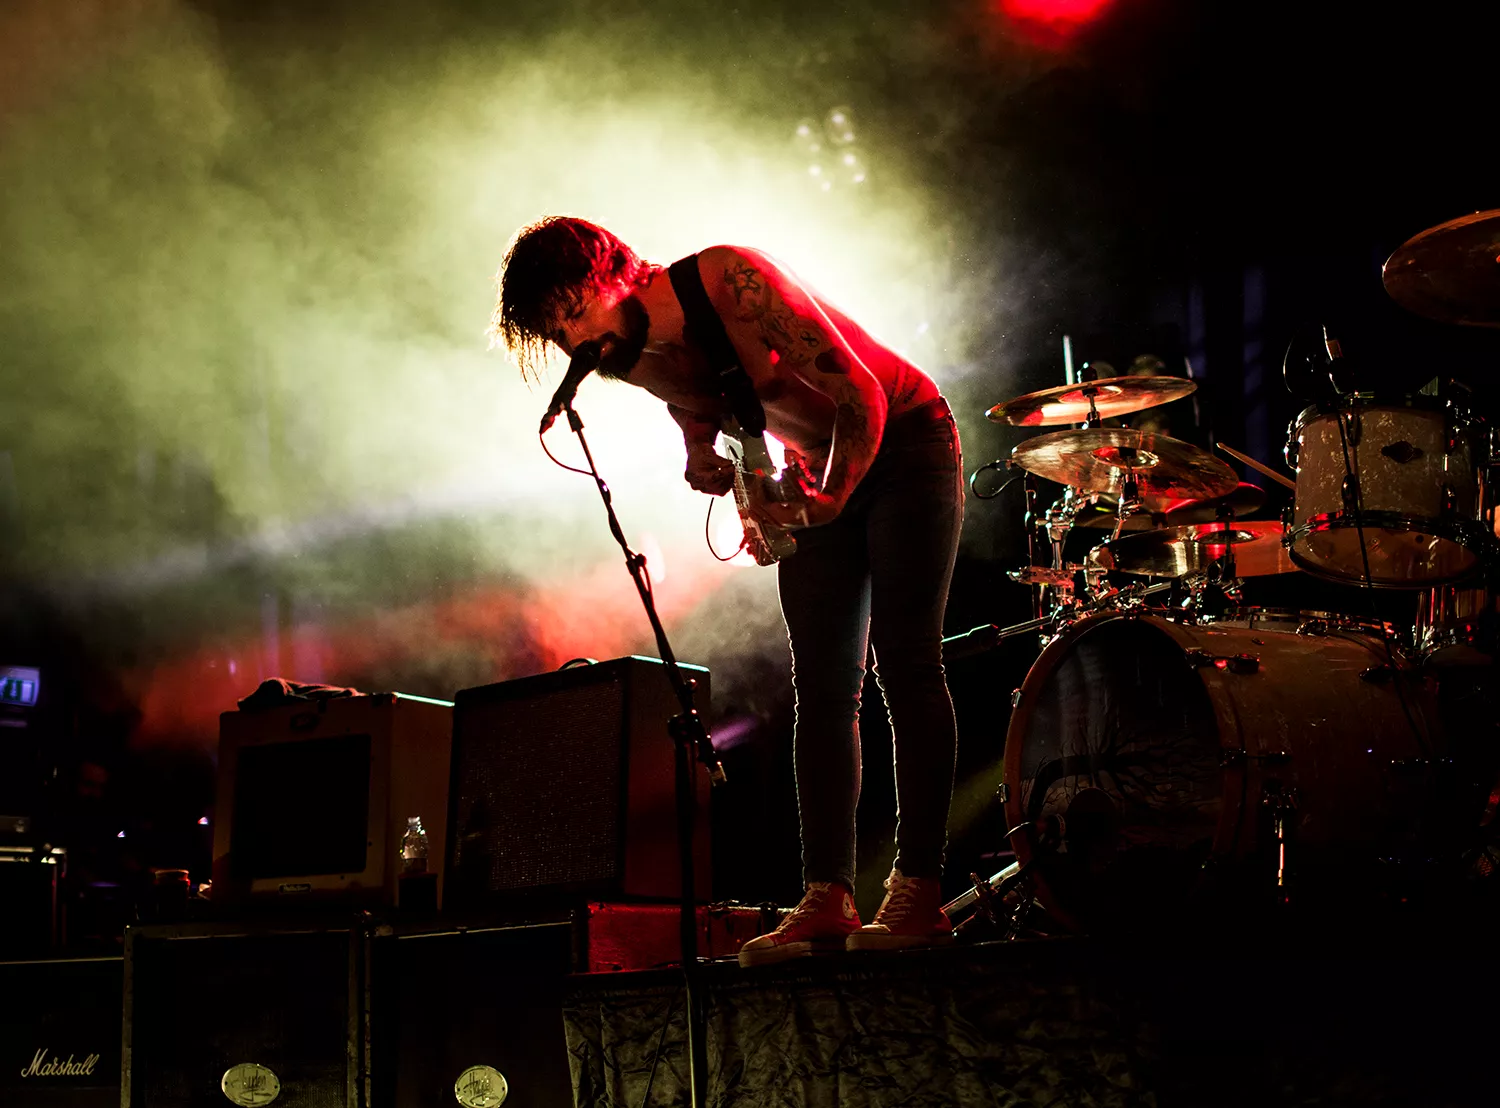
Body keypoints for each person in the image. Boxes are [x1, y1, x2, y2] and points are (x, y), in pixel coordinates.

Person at [490, 216, 964, 965]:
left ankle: (920, 889)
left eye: (576, 312)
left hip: (904, 438)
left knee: (908, 666)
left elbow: (863, 396)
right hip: (815, 468)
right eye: (556, 331)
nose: (575, 340)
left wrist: (832, 501)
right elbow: (694, 397)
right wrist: (698, 450)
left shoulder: (727, 278)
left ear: (614, 270)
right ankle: (828, 894)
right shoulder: (624, 355)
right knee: (824, 689)